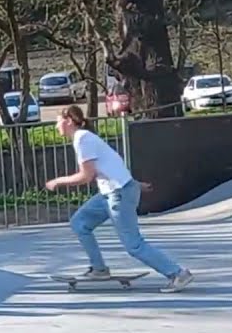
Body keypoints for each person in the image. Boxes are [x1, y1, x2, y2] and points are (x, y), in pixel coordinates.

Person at [45, 105, 194, 293]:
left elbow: (86, 176)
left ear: (68, 121)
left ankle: (177, 273)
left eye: (57, 121)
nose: (56, 125)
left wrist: (58, 181)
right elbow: (113, 162)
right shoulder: (86, 138)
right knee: (79, 222)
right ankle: (99, 269)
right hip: (113, 192)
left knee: (134, 245)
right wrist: (135, 184)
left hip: (118, 194)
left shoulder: (82, 139)